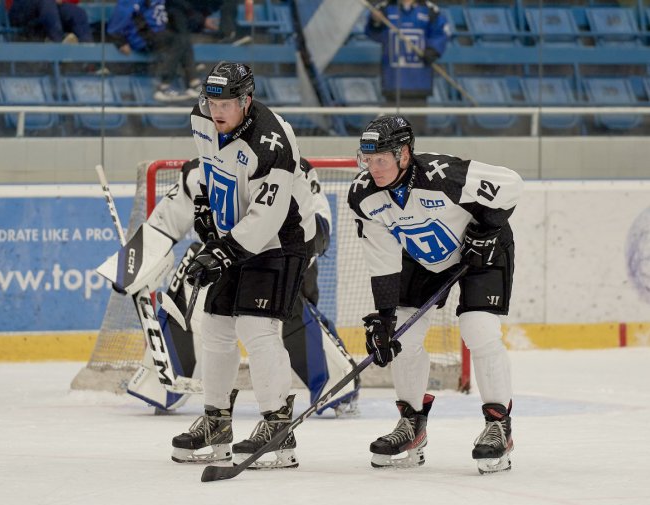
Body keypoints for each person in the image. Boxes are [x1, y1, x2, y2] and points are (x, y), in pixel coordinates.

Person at [347, 115, 523, 474]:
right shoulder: (364, 195)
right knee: (404, 336)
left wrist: (486, 230)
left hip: (483, 252)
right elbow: (382, 257)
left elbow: (511, 184)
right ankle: (411, 424)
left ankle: (498, 426)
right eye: (368, 159)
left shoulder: (443, 175)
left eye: (381, 159)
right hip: (423, 257)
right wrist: (385, 318)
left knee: (478, 329)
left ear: (404, 154)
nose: (373, 168)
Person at [170, 61, 318, 469]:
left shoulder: (271, 143)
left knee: (256, 328)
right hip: (234, 234)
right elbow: (209, 163)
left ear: (246, 101)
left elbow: (267, 218)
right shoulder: (203, 117)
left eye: (226, 104)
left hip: (280, 240)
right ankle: (216, 421)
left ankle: (278, 425)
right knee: (216, 326)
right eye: (211, 102)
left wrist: (221, 251)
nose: (216, 111)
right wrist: (204, 203)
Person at [136, 156, 358, 416]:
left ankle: (335, 382)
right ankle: (165, 381)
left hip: (282, 259)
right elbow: (161, 226)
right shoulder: (200, 170)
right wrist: (131, 266)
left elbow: (319, 230)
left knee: (281, 311)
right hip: (226, 263)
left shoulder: (291, 166)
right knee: (194, 268)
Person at [106, 0, 198, 101]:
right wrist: (120, 41)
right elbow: (118, 20)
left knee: (183, 39)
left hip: (159, 34)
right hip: (141, 36)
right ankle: (164, 87)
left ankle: (193, 83)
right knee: (178, 40)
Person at [365, 1, 448, 107]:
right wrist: (375, 23)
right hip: (392, 83)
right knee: (392, 117)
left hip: (420, 83)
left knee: (417, 117)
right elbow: (373, 34)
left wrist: (433, 49)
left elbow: (440, 33)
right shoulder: (384, 8)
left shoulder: (430, 10)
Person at [7, 0, 94, 44]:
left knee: (77, 13)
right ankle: (58, 44)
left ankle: (90, 58)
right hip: (20, 9)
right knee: (47, 2)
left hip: (49, 9)